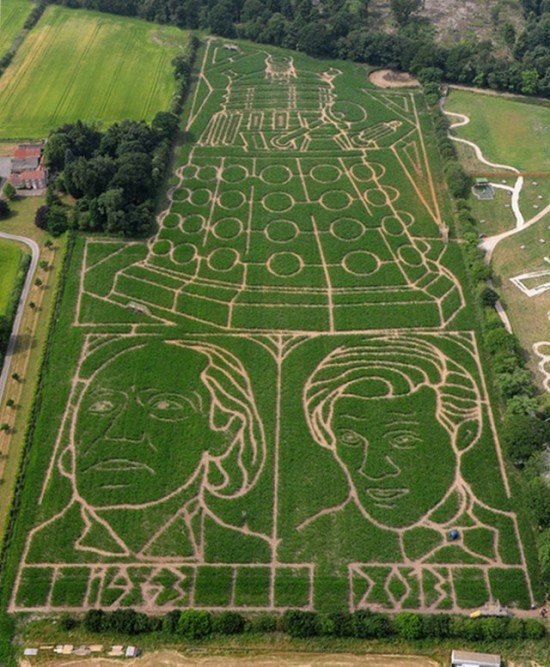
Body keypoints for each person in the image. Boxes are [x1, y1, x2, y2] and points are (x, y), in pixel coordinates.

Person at [25, 337, 269, 561]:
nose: (122, 433)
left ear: (222, 437)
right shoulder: (39, 547)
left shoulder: (252, 554)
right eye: (102, 405)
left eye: (166, 406)